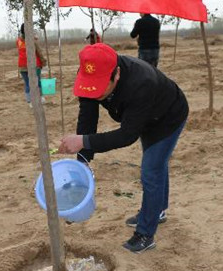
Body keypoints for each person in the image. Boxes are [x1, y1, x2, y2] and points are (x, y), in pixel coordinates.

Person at [57, 43, 188, 254]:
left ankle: (146, 233)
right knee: (156, 164)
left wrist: (83, 141)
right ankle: (157, 210)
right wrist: (83, 159)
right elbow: (87, 117)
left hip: (167, 118)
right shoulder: (89, 75)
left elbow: (127, 136)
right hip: (141, 117)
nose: (95, 94)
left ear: (116, 74)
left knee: (151, 170)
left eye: (101, 89)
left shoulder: (141, 82)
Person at [17, 23, 47, 107]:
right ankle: (41, 97)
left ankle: (30, 101)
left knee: (27, 83)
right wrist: (44, 62)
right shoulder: (32, 40)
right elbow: (39, 52)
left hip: (22, 66)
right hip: (35, 65)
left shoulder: (18, 41)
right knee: (38, 81)